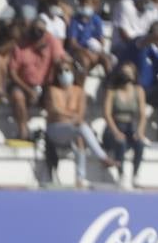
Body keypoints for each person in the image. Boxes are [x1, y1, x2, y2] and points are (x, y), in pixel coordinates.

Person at [44, 58, 115, 186]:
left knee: (80, 135)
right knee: (81, 128)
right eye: (60, 71)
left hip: (72, 129)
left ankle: (80, 178)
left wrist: (66, 115)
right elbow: (55, 111)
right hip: (55, 130)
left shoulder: (79, 92)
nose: (64, 73)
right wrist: (71, 115)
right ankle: (103, 158)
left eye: (67, 70)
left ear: (72, 72)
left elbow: (79, 115)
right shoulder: (52, 90)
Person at [102, 60, 147, 187]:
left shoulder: (138, 90)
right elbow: (107, 114)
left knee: (140, 143)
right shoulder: (112, 90)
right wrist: (116, 132)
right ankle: (121, 174)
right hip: (114, 126)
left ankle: (135, 175)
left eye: (129, 72)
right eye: (124, 72)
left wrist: (140, 131)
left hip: (130, 126)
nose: (126, 75)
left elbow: (143, 114)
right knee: (120, 141)